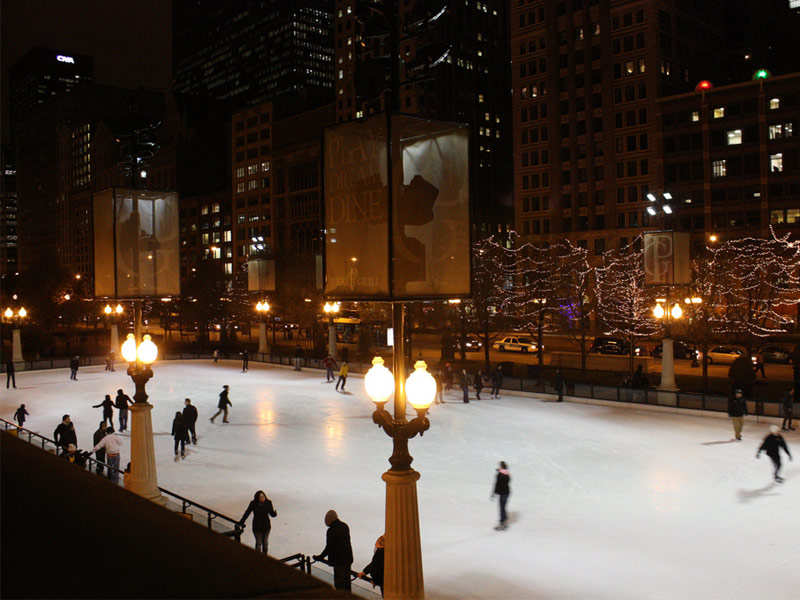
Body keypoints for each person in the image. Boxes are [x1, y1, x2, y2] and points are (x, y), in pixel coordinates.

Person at [314, 510, 354, 592]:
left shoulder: (331, 530)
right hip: (348, 558)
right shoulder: (344, 526)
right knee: (347, 582)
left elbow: (329, 547)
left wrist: (320, 557)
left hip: (338, 561)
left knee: (340, 584)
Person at [492, 461, 511, 531]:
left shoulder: (500, 475)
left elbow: (497, 484)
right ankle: (504, 522)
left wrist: (493, 493)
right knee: (503, 507)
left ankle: (502, 523)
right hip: (507, 492)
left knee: (502, 508)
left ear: (501, 467)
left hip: (502, 493)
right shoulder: (507, 474)